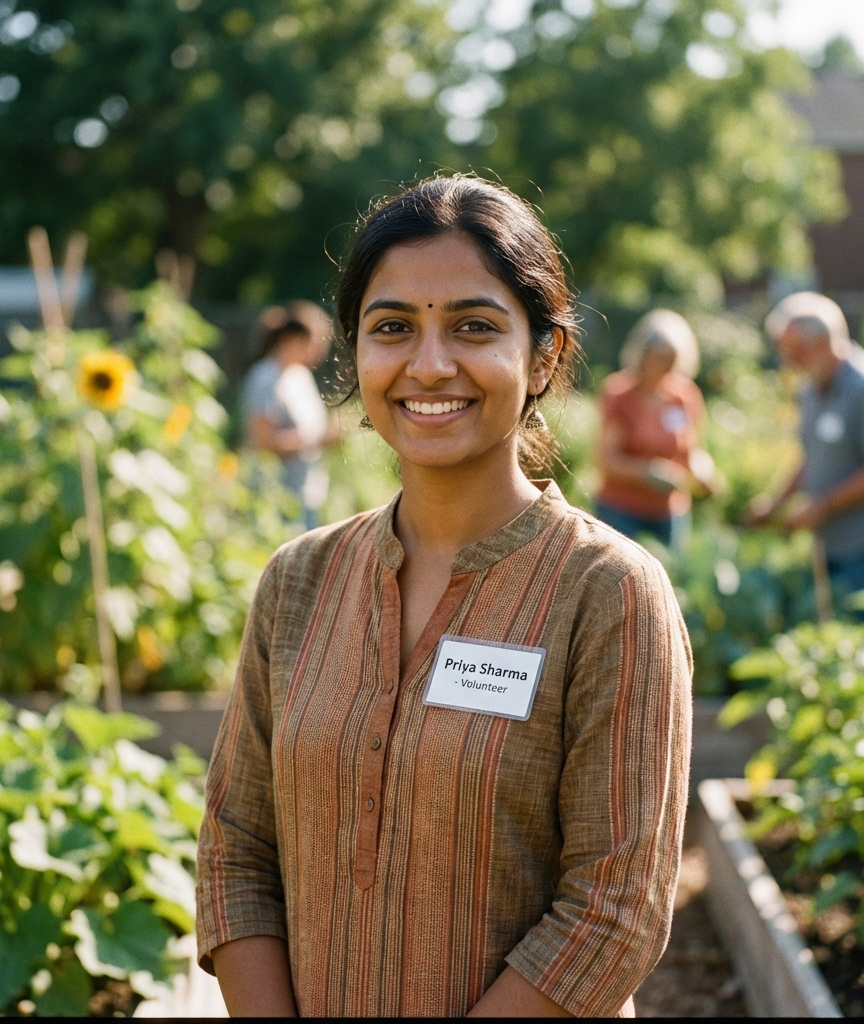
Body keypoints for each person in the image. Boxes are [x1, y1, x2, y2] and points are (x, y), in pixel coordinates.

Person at [196, 175, 692, 1018]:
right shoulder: (299, 580)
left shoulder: (608, 592)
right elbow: (236, 853)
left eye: (474, 326)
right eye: (393, 327)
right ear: (356, 353)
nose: (429, 364)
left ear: (544, 356)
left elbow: (615, 912)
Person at [747, 291, 864, 600]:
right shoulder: (811, 390)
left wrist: (823, 505)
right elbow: (812, 456)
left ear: (824, 344)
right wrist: (776, 504)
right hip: (830, 542)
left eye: (795, 353)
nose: (789, 363)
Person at [595, 309, 717, 549]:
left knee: (672, 579)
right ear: (642, 355)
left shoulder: (684, 396)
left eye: (672, 360)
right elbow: (606, 459)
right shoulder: (620, 394)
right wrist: (649, 473)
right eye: (659, 358)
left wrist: (704, 471)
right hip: (621, 509)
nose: (665, 367)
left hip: (669, 512)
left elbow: (691, 450)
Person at [240, 301, 337, 530]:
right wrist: (319, 438)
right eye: (316, 342)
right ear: (292, 339)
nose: (320, 351)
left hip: (304, 496)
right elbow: (263, 443)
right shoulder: (266, 378)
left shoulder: (300, 376)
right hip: (273, 502)